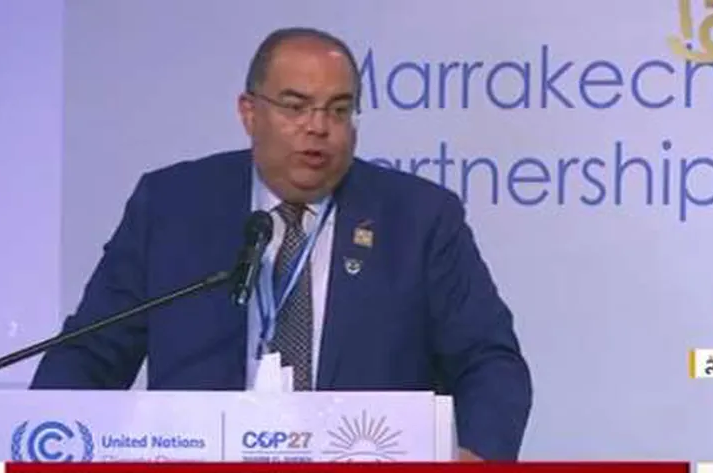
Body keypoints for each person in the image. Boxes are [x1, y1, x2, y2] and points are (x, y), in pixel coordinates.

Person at [30, 26, 532, 461]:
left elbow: (489, 362)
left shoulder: (419, 217)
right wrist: (41, 439)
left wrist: (477, 457)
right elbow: (89, 354)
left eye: (339, 110)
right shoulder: (172, 207)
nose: (318, 126)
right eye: (295, 106)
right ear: (249, 113)